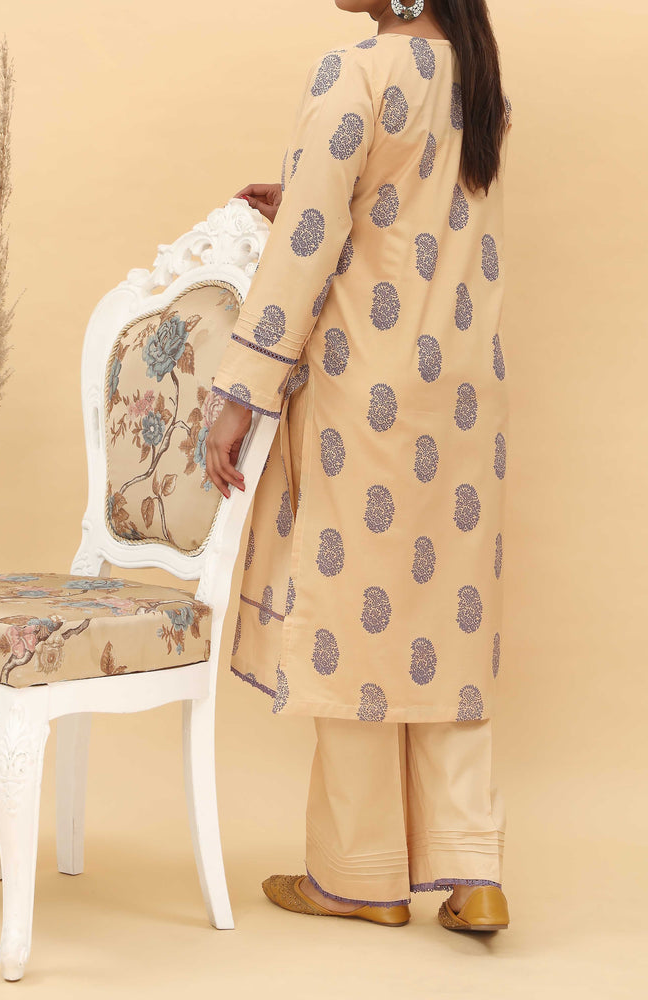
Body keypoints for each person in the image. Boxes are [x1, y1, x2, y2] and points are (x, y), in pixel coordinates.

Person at [205, 0, 513, 933]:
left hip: (366, 391)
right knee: (447, 620)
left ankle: (359, 875)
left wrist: (241, 392)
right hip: (464, 394)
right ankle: (473, 869)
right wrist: (306, 192)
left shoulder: (356, 72)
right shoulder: (480, 81)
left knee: (352, 620)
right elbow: (408, 210)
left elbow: (309, 249)